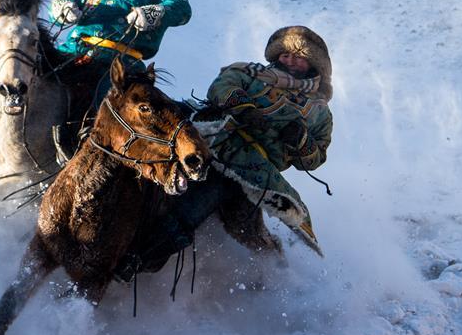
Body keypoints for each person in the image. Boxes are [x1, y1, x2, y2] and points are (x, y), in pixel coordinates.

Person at [115, 25, 334, 280]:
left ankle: (136, 260)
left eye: (298, 56)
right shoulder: (249, 72)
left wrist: (301, 140)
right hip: (207, 135)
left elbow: (315, 159)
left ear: (313, 64)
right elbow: (221, 87)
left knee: (193, 207)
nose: (290, 59)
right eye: (286, 54)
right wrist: (246, 108)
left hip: (249, 166)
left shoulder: (319, 112)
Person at [47, 0, 192, 158]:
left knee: (109, 98)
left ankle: (89, 144)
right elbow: (59, 4)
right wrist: (64, 8)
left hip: (119, 61)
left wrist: (152, 13)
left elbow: (181, 6)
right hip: (75, 54)